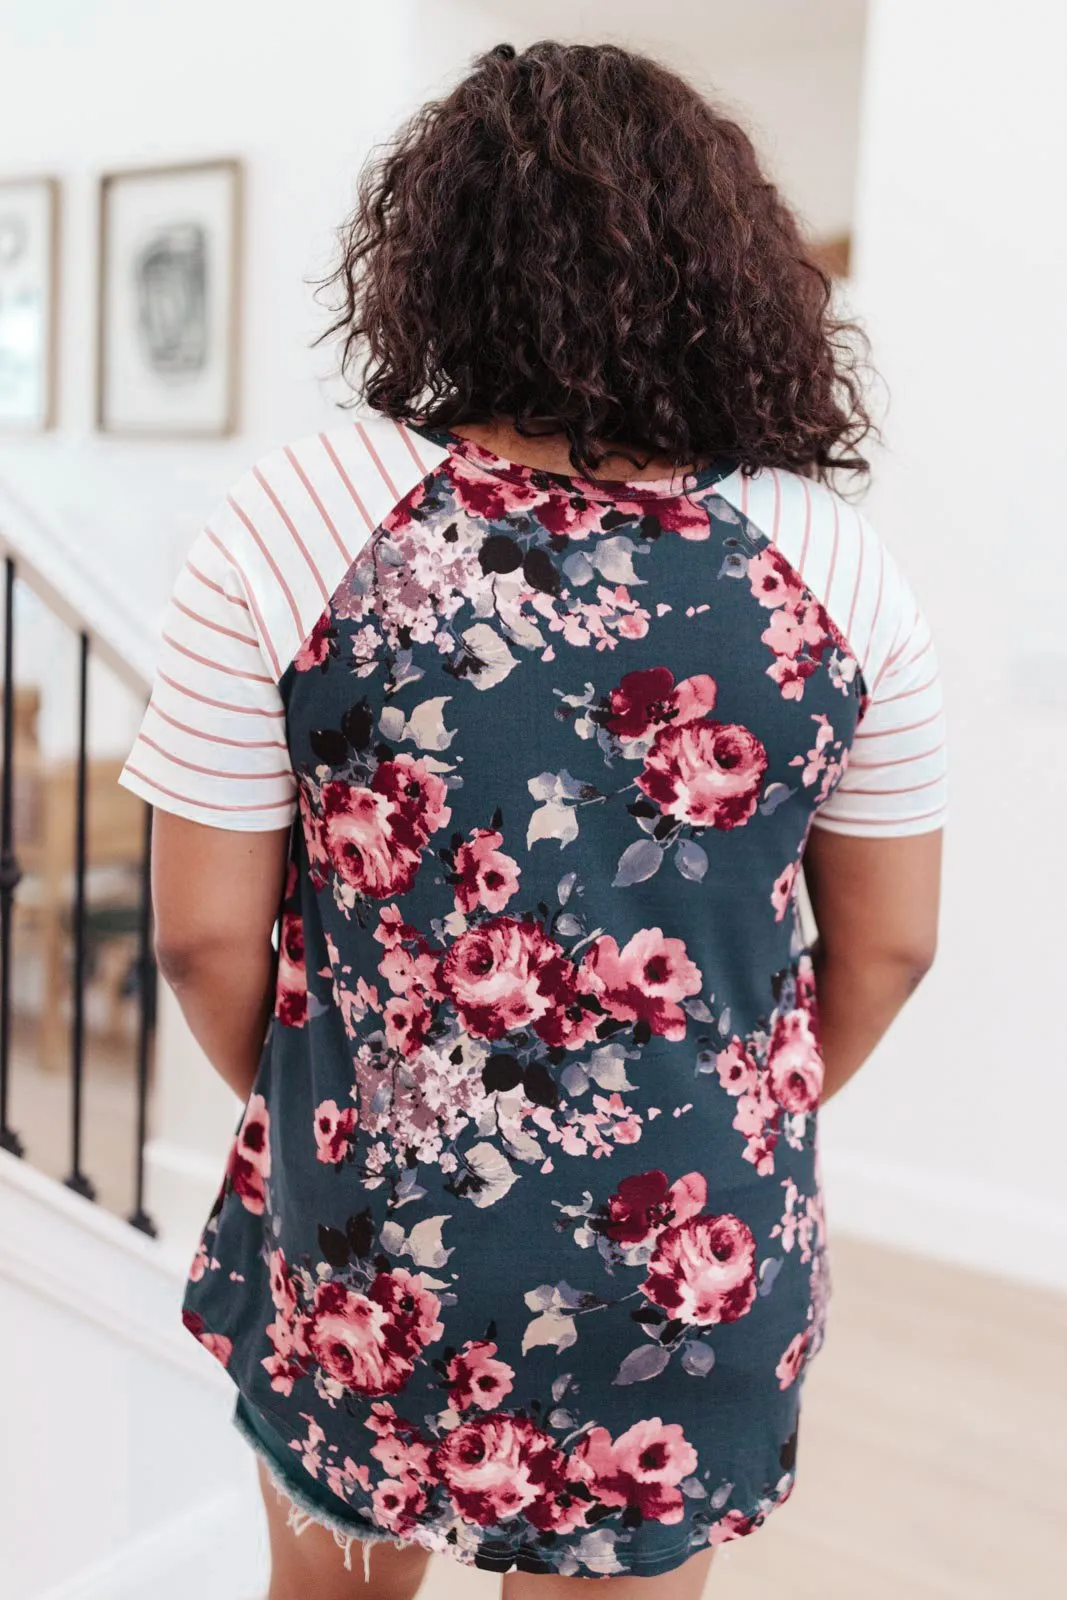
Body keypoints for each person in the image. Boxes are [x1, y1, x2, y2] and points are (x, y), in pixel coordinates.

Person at [120, 39, 945, 1600]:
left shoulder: (304, 513)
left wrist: (343, 1107)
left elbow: (200, 928)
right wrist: (717, 1106)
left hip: (378, 1224)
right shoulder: (831, 564)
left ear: (435, 259)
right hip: (693, 1235)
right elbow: (892, 947)